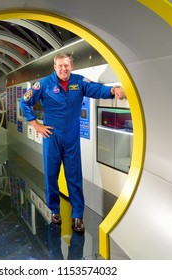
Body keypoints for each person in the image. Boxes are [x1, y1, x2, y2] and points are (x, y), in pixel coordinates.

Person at [19, 52, 126, 232]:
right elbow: (24, 101)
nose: (63, 69)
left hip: (72, 139)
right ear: (55, 67)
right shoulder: (44, 84)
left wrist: (114, 90)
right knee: (51, 176)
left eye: (66, 65)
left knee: (74, 177)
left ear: (72, 66)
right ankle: (54, 210)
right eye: (60, 66)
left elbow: (97, 89)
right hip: (51, 137)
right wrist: (35, 124)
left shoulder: (79, 81)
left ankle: (77, 216)